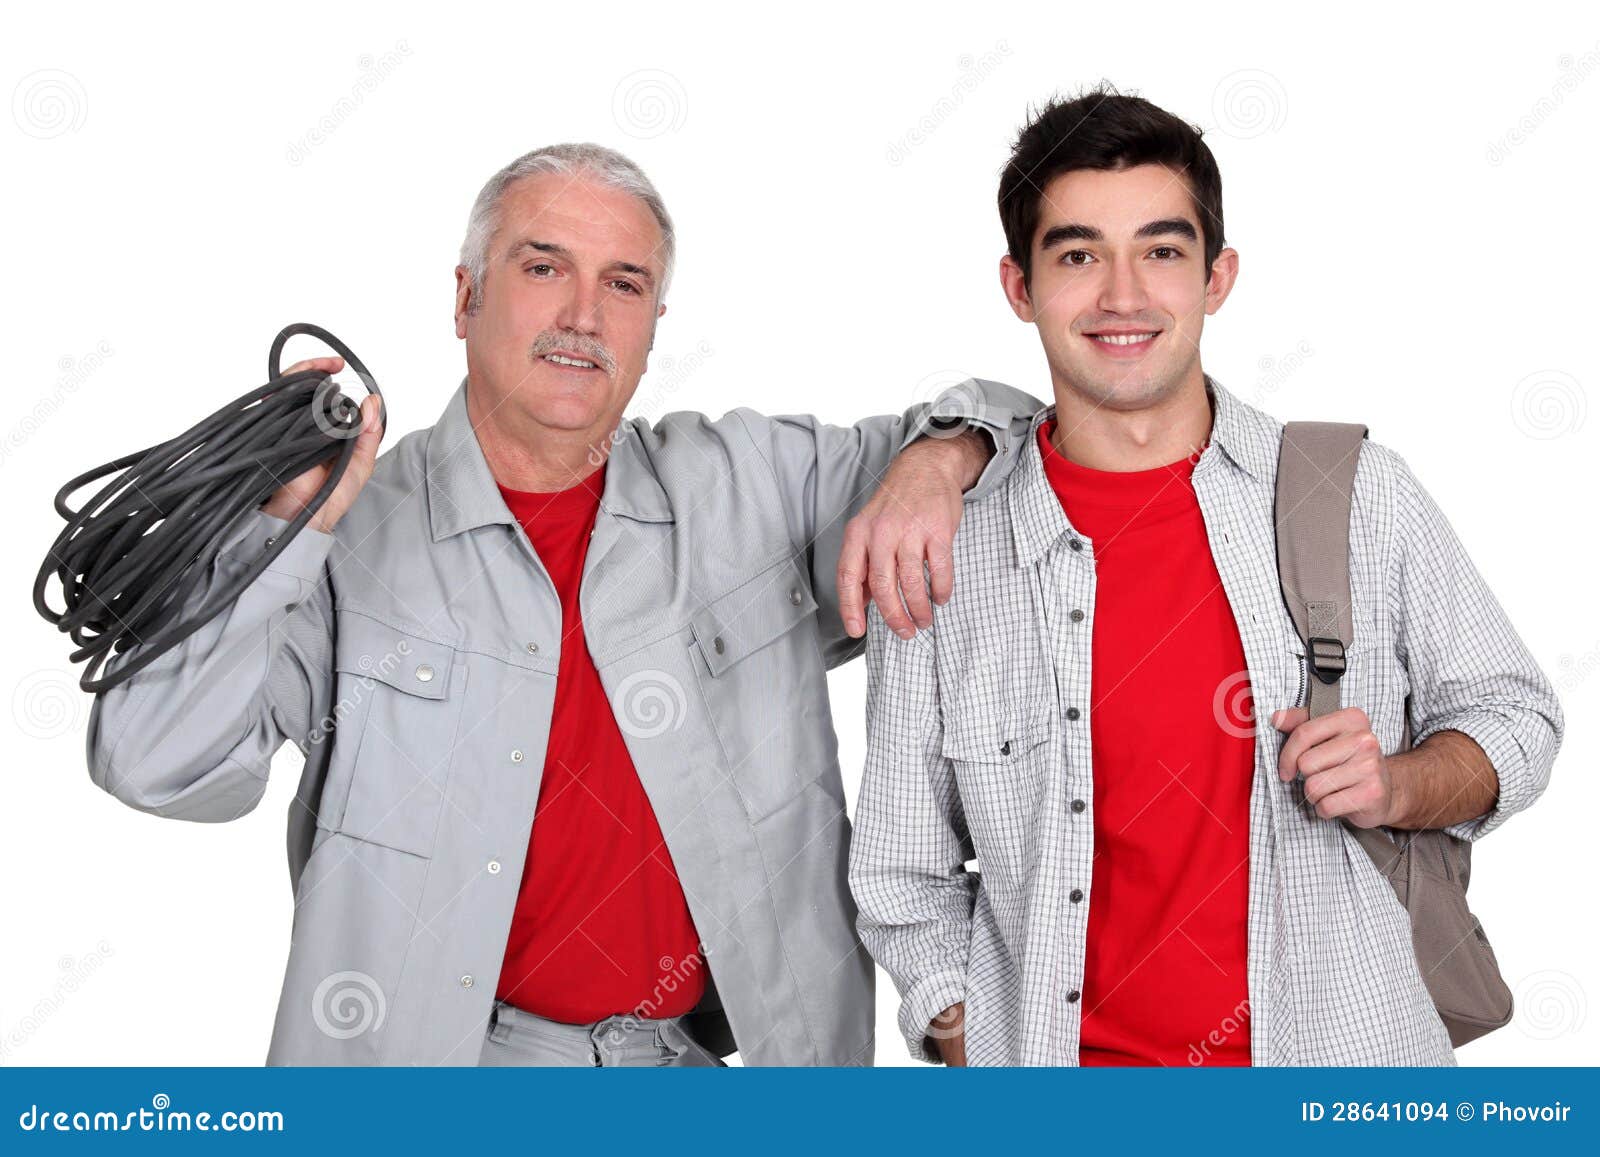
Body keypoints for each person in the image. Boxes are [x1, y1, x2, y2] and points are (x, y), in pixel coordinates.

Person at [85, 142, 1042, 1066]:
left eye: (623, 284)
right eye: (544, 268)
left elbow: (1031, 440)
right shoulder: (347, 533)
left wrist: (940, 455)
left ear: (654, 322)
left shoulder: (752, 487)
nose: (583, 315)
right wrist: (277, 532)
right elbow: (155, 765)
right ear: (465, 298)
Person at [848, 86, 1564, 1067]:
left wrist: (1395, 783)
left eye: (1161, 249)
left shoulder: (1355, 496)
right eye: (1076, 255)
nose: (1122, 294)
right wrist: (969, 1029)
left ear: (1216, 275)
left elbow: (1515, 717)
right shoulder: (939, 552)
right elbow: (902, 869)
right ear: (1018, 287)